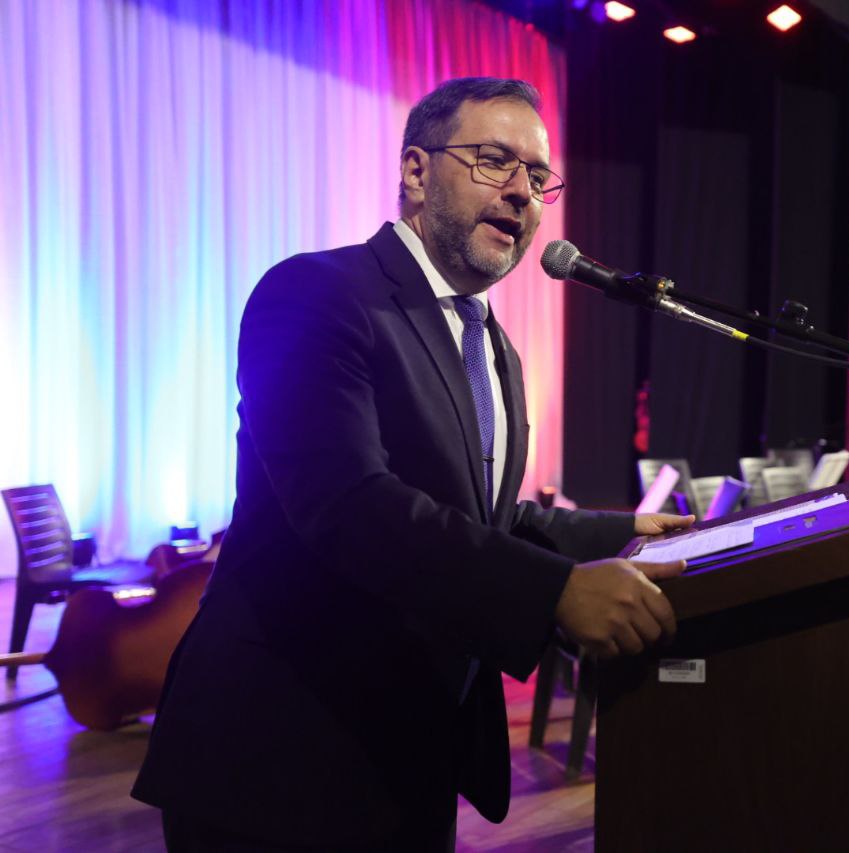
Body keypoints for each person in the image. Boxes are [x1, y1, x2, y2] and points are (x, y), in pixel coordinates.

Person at [132, 77, 692, 851]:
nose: (522, 192)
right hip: (280, 758)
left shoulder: (494, 347)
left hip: (413, 756)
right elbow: (347, 504)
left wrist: (622, 531)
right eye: (495, 160)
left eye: (538, 177)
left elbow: (484, 515)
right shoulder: (317, 294)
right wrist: (555, 592)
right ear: (416, 171)